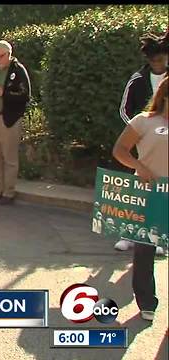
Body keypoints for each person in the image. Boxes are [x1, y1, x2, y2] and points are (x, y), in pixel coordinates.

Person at [112, 76, 168, 321]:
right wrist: (139, 167)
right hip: (148, 194)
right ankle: (147, 302)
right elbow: (120, 150)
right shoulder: (144, 122)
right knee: (145, 251)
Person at [0, 40, 31, 206]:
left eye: (0, 57)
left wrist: (4, 93)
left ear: (9, 54)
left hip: (9, 119)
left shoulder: (18, 71)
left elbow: (24, 96)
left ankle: (9, 192)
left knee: (9, 158)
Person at [119, 31, 168, 125]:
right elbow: (124, 110)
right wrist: (135, 128)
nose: (157, 64)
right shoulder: (137, 79)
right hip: (145, 131)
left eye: (160, 60)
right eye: (153, 61)